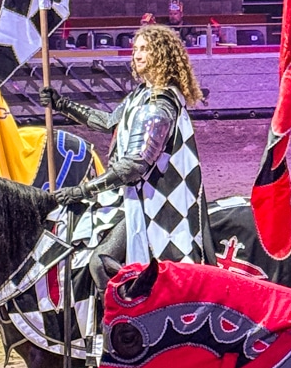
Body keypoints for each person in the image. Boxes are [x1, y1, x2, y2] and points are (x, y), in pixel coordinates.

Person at [41, 23, 211, 294]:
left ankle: (121, 316)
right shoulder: (142, 94)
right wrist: (62, 104)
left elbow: (133, 166)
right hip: (131, 197)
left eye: (144, 49)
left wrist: (82, 191)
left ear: (161, 54)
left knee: (100, 263)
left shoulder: (159, 104)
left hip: (153, 204)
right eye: (135, 49)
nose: (137, 55)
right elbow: (109, 121)